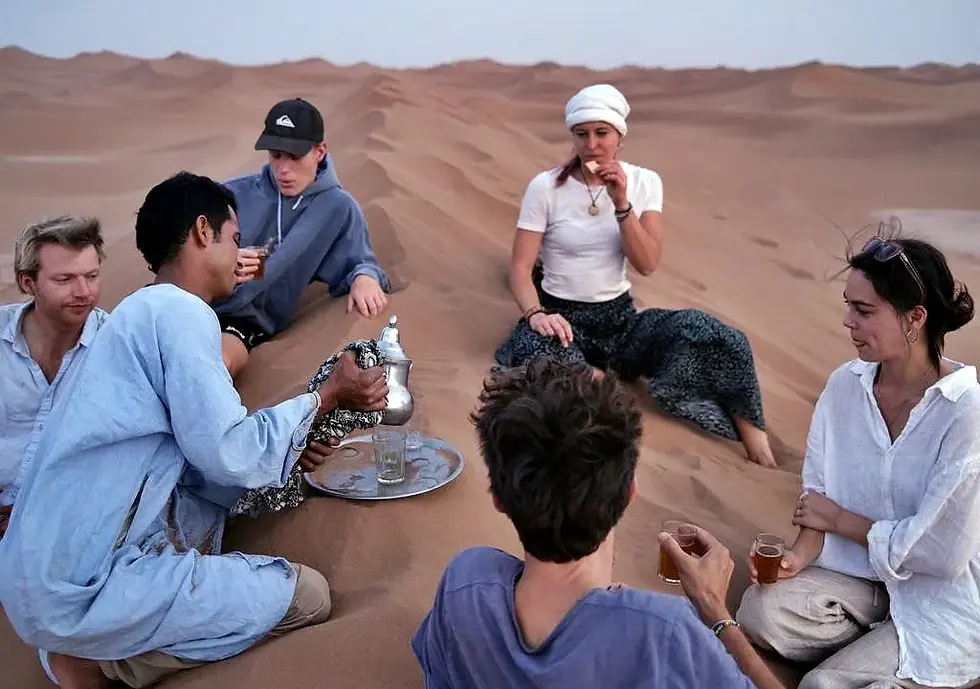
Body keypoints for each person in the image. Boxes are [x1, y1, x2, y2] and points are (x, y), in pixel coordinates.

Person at [0, 171, 389, 689]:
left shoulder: (134, 317)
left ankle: (91, 643)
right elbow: (228, 452)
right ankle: (102, 660)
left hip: (39, 576)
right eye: (233, 239)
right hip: (81, 586)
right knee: (307, 596)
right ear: (204, 232)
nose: (238, 254)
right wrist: (326, 395)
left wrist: (296, 441)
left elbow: (194, 460)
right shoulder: (177, 314)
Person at [412, 357, 785, 689]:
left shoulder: (465, 582)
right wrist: (717, 614)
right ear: (629, 493)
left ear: (497, 499)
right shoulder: (664, 634)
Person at [735, 231, 979, 688]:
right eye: (848, 305)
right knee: (760, 611)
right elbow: (819, 492)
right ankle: (873, 647)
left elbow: (943, 554)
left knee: (821, 686)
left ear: (915, 319)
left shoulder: (964, 410)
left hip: (937, 599)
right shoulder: (846, 386)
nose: (848, 321)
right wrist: (797, 556)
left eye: (863, 311)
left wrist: (845, 521)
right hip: (860, 582)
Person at [493, 83, 777, 467]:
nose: (592, 144)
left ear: (620, 136)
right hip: (562, 320)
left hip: (621, 322)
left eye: (602, 133)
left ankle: (757, 444)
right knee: (536, 349)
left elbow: (647, 263)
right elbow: (520, 269)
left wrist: (621, 202)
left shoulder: (644, 182)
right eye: (582, 134)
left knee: (716, 335)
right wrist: (536, 315)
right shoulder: (545, 187)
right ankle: (607, 394)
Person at [211, 97, 391, 378]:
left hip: (246, 322)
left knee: (217, 364)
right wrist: (224, 260)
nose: (283, 169)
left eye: (295, 156)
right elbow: (181, 248)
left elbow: (359, 260)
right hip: (198, 303)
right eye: (276, 155)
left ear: (320, 151)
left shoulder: (337, 208)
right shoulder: (231, 194)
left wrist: (364, 277)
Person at [0, 216, 108, 537]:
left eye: (92, 276)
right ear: (27, 283)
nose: (83, 291)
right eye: (64, 280)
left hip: (64, 523)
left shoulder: (116, 346)